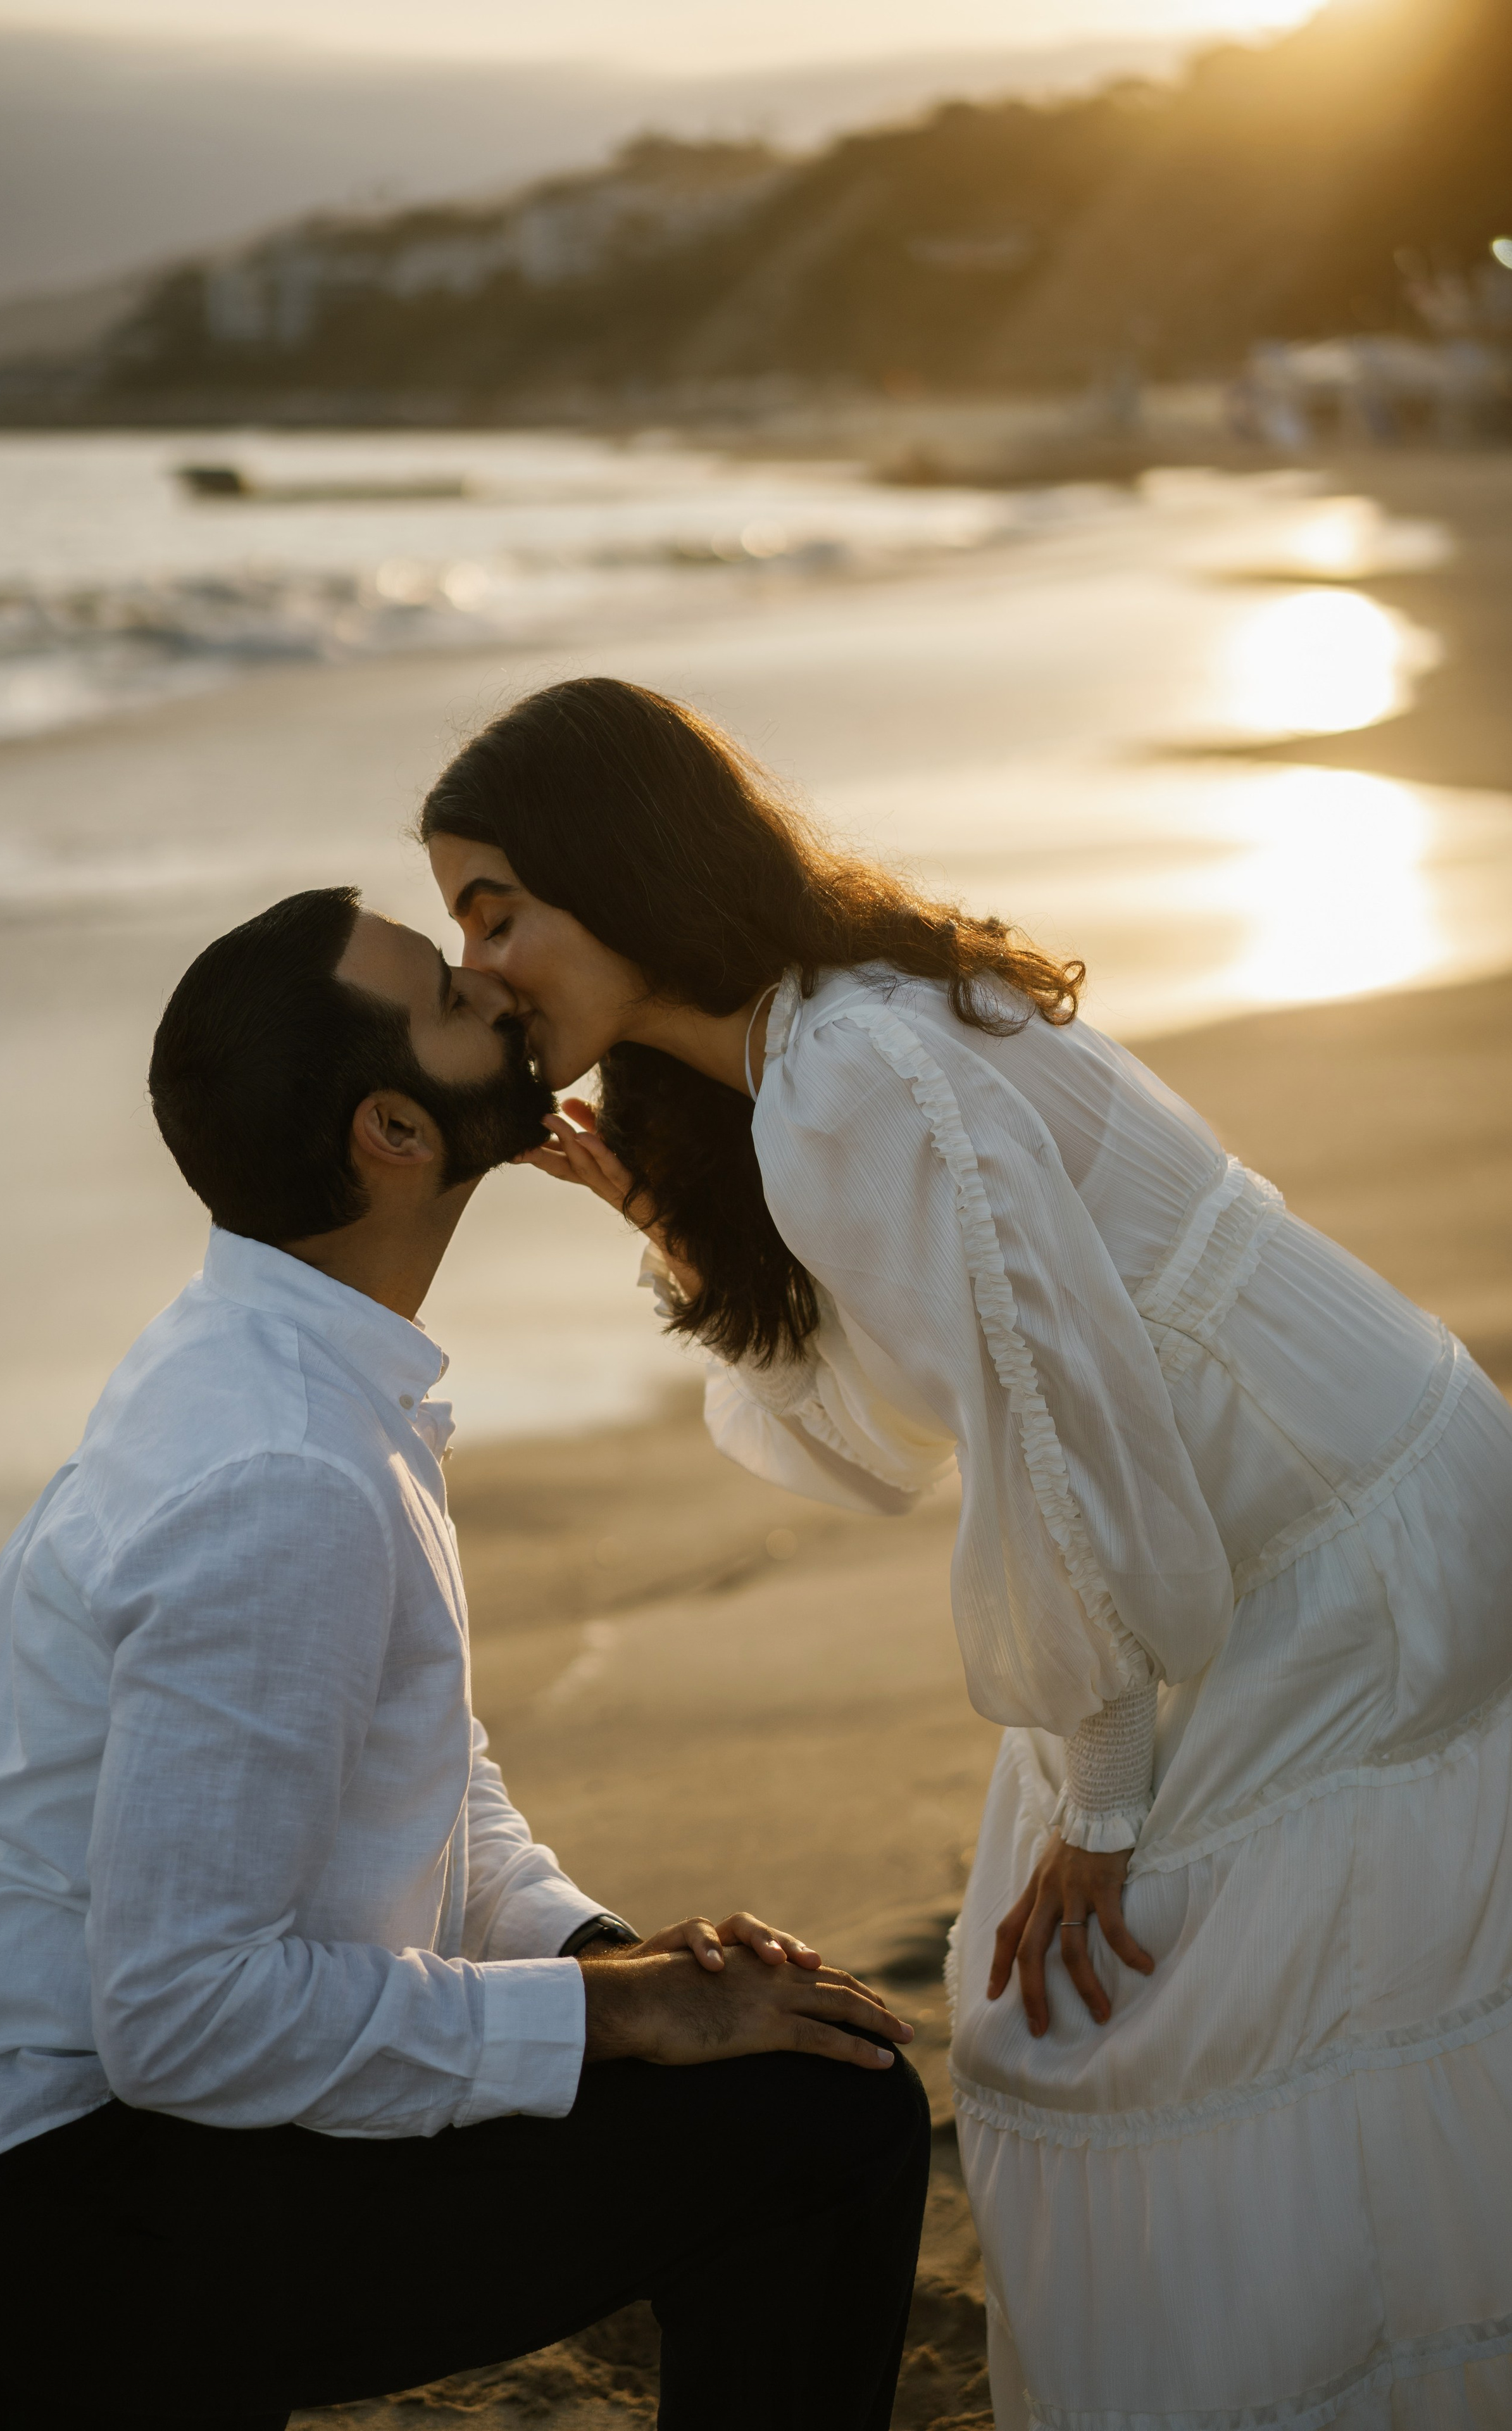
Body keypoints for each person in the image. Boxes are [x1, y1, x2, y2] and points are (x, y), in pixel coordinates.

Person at [423, 675, 1512, 2430]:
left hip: (1344, 1539)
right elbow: (891, 1417)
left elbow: (1049, 1409)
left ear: (614, 869)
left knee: (1178, 2015)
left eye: (494, 910)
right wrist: (654, 1212)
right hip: (1267, 1530)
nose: (472, 966)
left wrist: (1100, 1785)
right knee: (1215, 2017)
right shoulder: (800, 1062)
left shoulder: (854, 1066)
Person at [0, 887, 930, 2431]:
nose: (496, 986)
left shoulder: (286, 1360)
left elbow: (425, 1774)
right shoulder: (284, 1474)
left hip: (118, 2158)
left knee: (759, 2060)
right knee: (824, 2120)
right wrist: (621, 2022)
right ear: (393, 1129)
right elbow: (184, 2017)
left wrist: (611, 1959)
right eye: (451, 994)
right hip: (78, 2215)